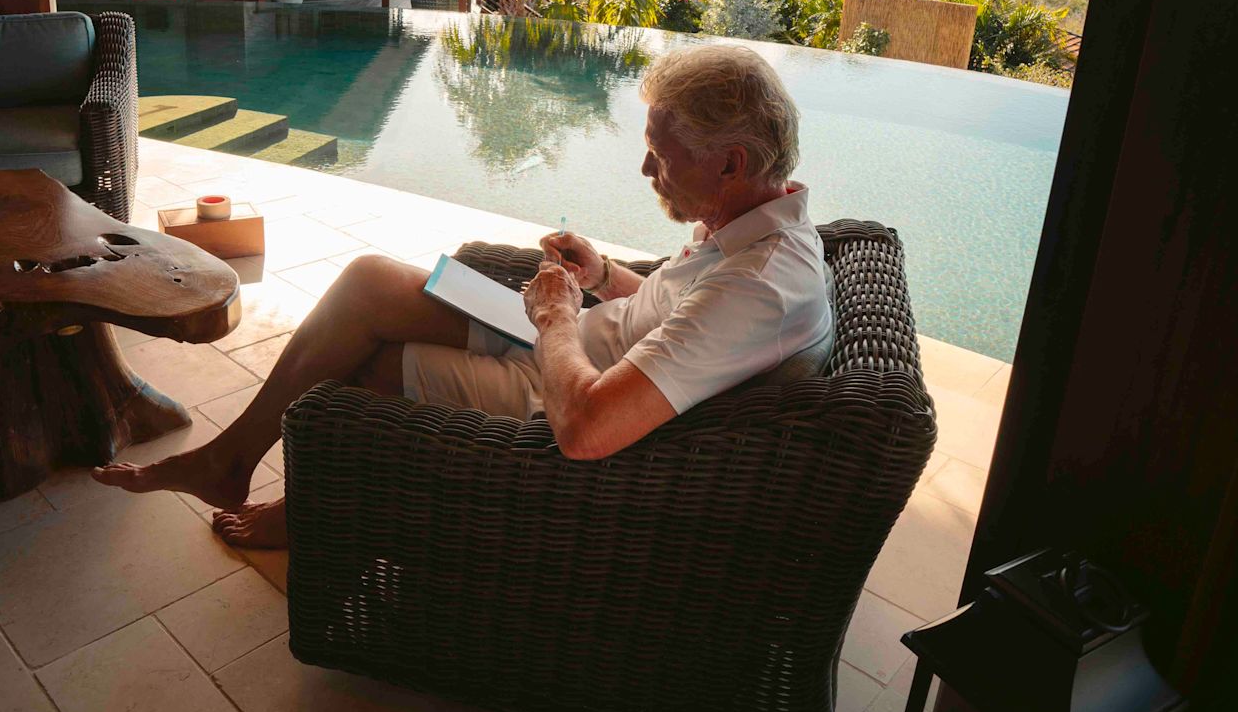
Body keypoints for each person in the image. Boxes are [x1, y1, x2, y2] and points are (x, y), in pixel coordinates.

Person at [92, 45, 833, 547]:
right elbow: (677, 317)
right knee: (367, 279)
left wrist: (554, 320)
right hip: (579, 338)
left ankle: (303, 508)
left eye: (661, 156)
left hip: (565, 387)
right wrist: (604, 278)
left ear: (732, 162)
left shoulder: (759, 287)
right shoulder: (742, 226)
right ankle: (229, 458)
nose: (646, 169)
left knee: (363, 364)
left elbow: (591, 431)